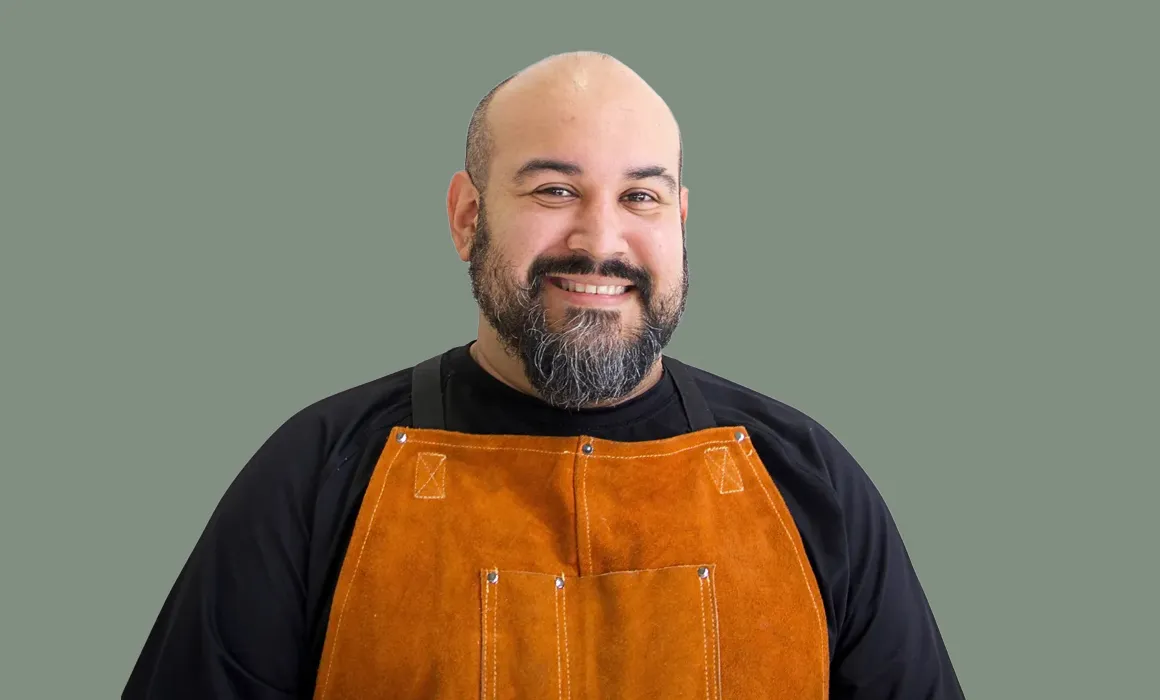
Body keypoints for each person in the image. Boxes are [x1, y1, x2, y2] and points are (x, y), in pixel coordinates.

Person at [124, 51, 963, 700]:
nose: (601, 242)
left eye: (642, 197)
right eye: (555, 189)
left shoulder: (808, 478)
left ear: (680, 222)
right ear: (467, 216)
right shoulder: (318, 473)